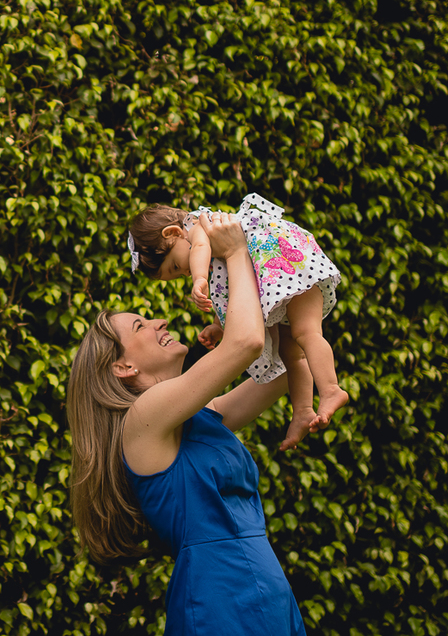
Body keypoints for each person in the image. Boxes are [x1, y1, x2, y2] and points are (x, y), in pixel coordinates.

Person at [68, 211, 307, 635]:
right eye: (141, 325)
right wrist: (234, 252)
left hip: (267, 592)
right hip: (220, 598)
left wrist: (283, 280)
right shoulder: (141, 420)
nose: (159, 321)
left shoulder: (203, 417)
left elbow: (287, 368)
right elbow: (247, 342)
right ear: (122, 367)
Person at [127, 193, 347, 450]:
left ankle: (331, 388)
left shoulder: (198, 226)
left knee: (306, 333)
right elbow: (236, 289)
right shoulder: (218, 245)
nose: (183, 272)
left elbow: (199, 249)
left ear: (174, 232)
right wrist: (220, 327)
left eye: (175, 266)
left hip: (285, 262)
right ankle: (303, 410)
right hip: (277, 273)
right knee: (292, 353)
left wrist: (199, 279)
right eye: (176, 275)